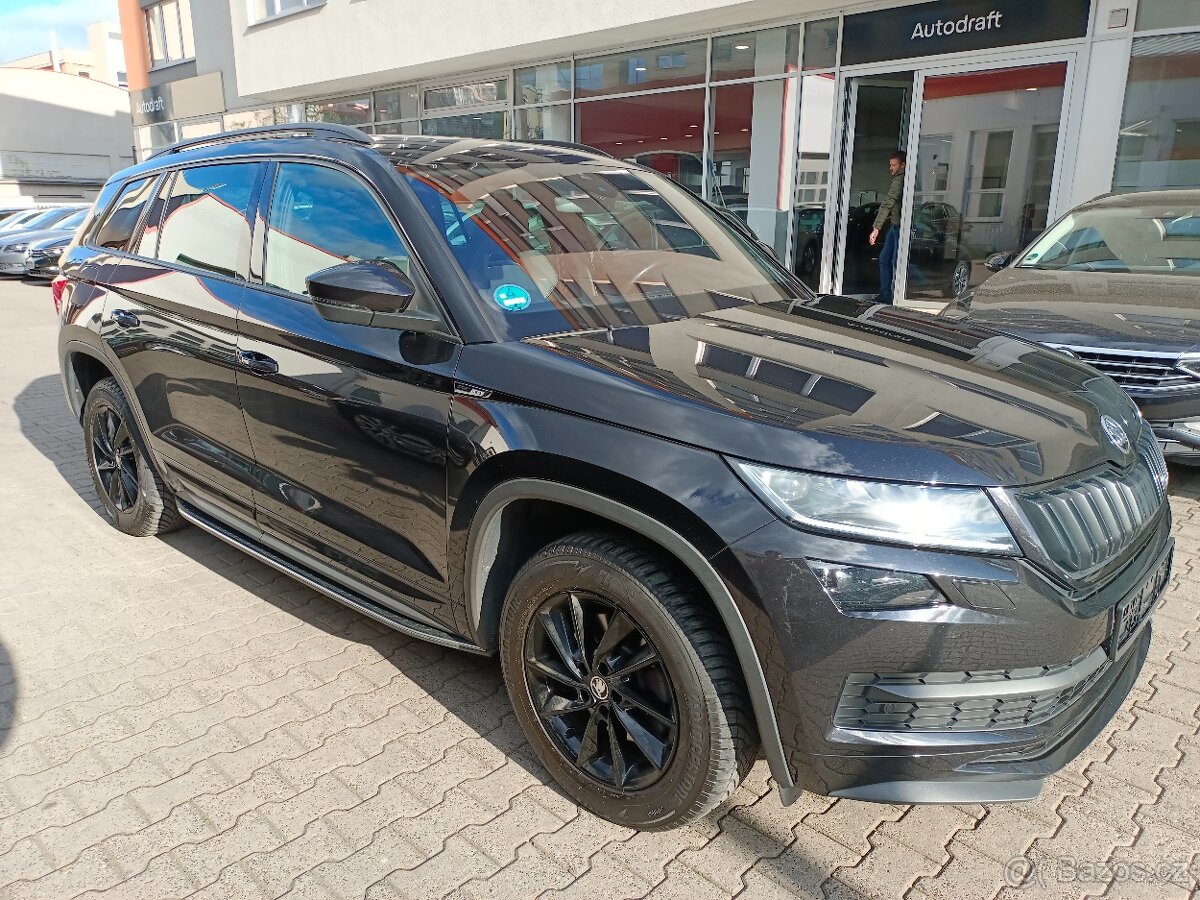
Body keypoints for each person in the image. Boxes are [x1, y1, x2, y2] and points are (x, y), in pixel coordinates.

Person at [868, 150, 906, 304]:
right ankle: (886, 294)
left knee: (895, 261)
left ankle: (893, 296)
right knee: (885, 259)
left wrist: (876, 228)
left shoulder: (899, 180)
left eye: (893, 165)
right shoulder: (899, 178)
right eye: (890, 165)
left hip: (900, 229)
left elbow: (888, 202)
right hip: (895, 227)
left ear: (902, 165)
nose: (890, 168)